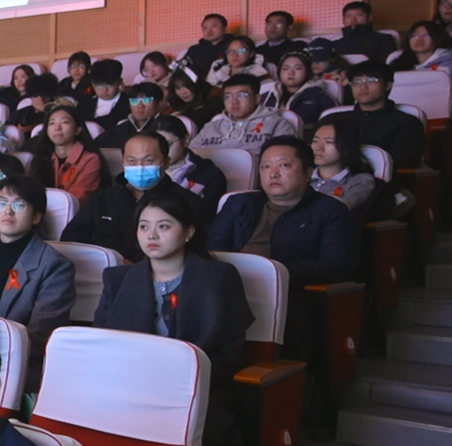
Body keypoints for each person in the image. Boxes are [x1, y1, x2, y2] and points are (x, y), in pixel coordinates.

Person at [95, 190, 252, 382]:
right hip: (125, 382)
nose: (151, 235)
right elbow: (101, 347)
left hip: (194, 385)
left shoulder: (219, 277)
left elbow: (226, 355)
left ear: (188, 232)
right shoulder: (116, 279)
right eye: (143, 227)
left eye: (163, 226)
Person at [209, 137, 359, 291]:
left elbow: (337, 265)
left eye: (284, 165)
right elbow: (213, 246)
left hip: (286, 289)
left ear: (307, 173)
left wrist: (274, 273)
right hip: (229, 285)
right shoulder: (238, 203)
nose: (273, 174)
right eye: (265, 166)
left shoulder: (331, 210)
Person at [0, 175, 76, 353]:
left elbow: (41, 334)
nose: (8, 211)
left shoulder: (56, 267)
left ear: (36, 216)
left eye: (19, 204)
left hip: (21, 358)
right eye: (1, 203)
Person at [62, 132, 204, 261]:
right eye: (132, 161)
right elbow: (71, 242)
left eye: (148, 161)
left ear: (165, 163)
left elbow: (198, 252)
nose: (139, 167)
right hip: (99, 274)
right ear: (123, 162)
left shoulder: (188, 202)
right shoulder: (101, 200)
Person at [340, 58, 426, 169]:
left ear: (388, 85)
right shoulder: (334, 119)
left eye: (371, 80)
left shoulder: (407, 123)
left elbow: (403, 162)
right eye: (356, 82)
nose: (362, 86)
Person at [189, 74, 298, 154]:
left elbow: (286, 158)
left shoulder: (277, 124)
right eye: (228, 96)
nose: (234, 101)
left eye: (242, 95)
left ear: (257, 99)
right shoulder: (211, 127)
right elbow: (191, 156)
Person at [309, 119, 386, 220]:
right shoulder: (301, 175)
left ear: (346, 147)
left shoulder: (361, 181)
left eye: (329, 142)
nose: (318, 147)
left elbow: (338, 209)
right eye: (315, 141)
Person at [30, 104, 105, 203]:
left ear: (77, 129)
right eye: (52, 123)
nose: (57, 128)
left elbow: (78, 197)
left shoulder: (90, 160)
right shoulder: (40, 157)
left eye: (65, 122)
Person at [391, 19, 452, 94]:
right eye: (415, 35)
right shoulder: (399, 62)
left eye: (427, 35)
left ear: (437, 39)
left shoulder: (448, 64)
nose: (419, 39)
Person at [269, 49, 336, 133]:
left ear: (307, 71)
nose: (291, 72)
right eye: (286, 68)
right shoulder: (267, 96)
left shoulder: (320, 98)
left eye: (297, 68)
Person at [98, 81, 167, 150]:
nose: (140, 105)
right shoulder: (120, 130)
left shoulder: (166, 128)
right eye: (134, 101)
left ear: (158, 104)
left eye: (147, 100)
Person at [181, 13, 233, 79]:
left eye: (214, 26)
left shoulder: (234, 46)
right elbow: (183, 70)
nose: (209, 30)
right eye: (205, 28)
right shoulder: (195, 50)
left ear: (225, 28)